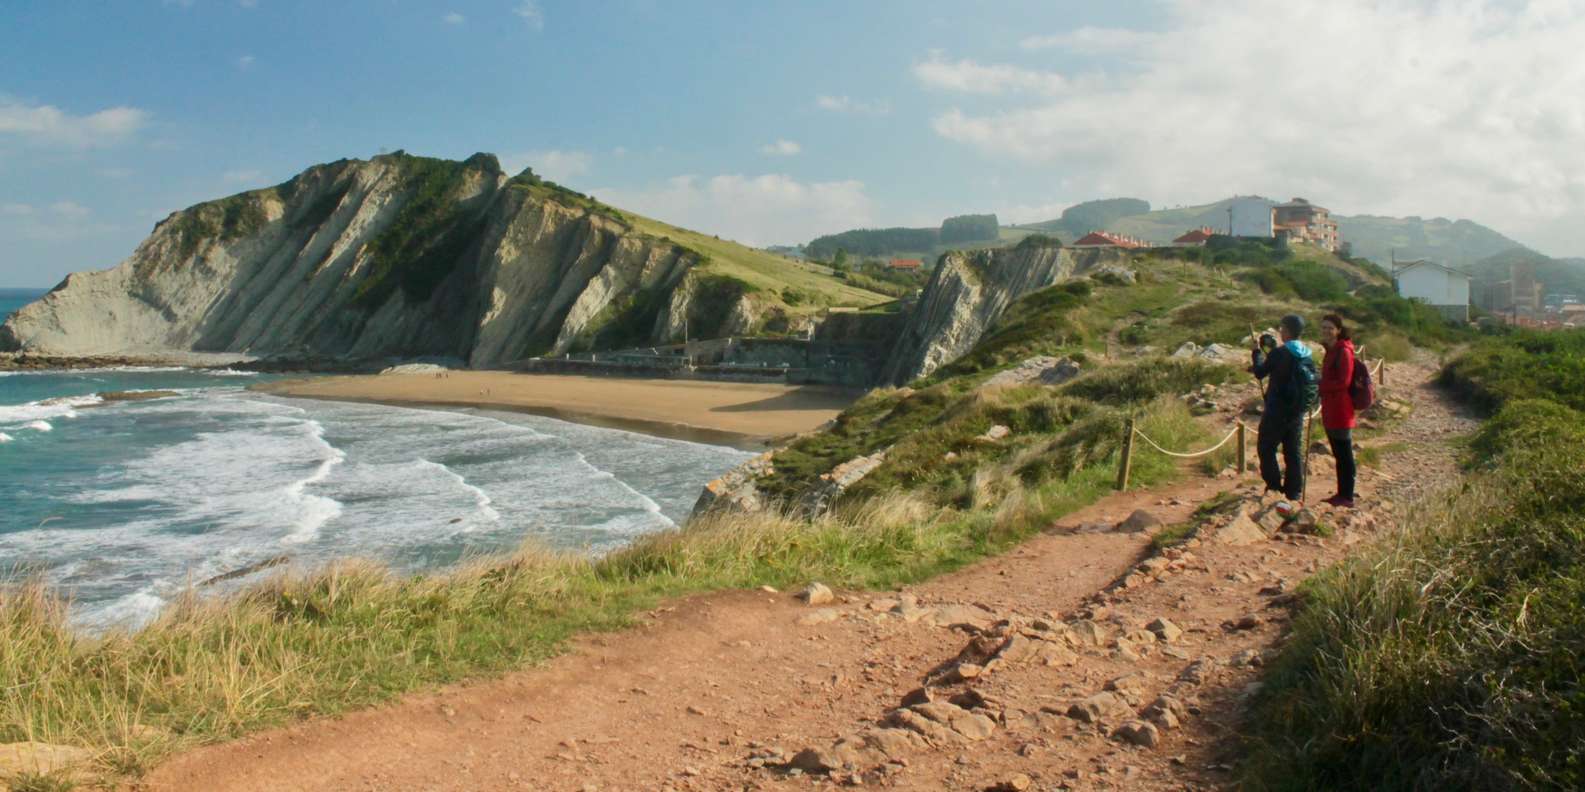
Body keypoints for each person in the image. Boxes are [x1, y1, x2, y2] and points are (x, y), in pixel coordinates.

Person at [1249, 314, 1317, 507]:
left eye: (1281, 328)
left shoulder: (1280, 353)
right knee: (1293, 450)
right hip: (1297, 411)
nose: (1280, 331)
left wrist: (1256, 353)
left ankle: (1274, 488)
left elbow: (1260, 372)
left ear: (1286, 330)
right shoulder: (1306, 353)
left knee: (1266, 447)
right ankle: (1294, 492)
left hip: (1277, 409)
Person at [1318, 314, 1357, 507]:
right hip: (1332, 407)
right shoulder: (1332, 350)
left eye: (1330, 328)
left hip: (1341, 408)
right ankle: (1343, 493)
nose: (1326, 331)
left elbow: (1344, 381)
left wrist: (1321, 385)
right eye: (1324, 327)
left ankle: (1347, 496)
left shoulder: (1343, 351)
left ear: (1338, 330)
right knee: (1339, 454)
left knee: (1344, 454)